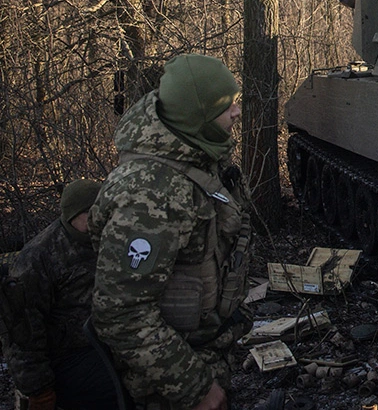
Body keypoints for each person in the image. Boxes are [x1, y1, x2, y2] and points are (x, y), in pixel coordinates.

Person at [90, 53, 253, 410]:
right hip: (166, 385)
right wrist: (195, 389)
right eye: (228, 107)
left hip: (199, 351)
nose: (237, 113)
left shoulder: (193, 154)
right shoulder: (150, 195)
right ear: (198, 116)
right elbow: (121, 313)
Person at [1, 180, 121, 410]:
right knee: (115, 392)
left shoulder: (108, 238)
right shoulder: (38, 259)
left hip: (112, 342)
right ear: (73, 215)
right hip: (68, 358)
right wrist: (39, 391)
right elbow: (22, 335)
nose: (103, 219)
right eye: (92, 213)